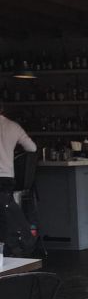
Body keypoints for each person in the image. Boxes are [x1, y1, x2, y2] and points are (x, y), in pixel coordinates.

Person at [0, 103, 37, 255]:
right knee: (6, 212)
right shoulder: (13, 126)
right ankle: (10, 247)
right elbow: (32, 148)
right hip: (6, 176)